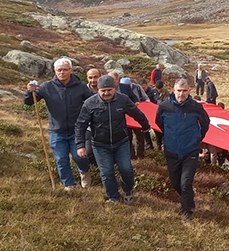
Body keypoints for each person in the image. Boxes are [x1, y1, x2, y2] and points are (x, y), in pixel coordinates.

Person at [75, 75, 150, 203]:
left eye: (109, 90)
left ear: (114, 88)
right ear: (98, 90)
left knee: (126, 169)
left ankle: (128, 191)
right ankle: (113, 196)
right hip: (99, 145)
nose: (106, 93)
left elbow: (136, 113)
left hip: (121, 142)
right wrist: (80, 145)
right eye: (103, 90)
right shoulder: (89, 103)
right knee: (107, 173)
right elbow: (80, 124)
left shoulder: (123, 100)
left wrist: (145, 125)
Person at [24, 58, 92, 191]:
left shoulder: (81, 86)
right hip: (56, 131)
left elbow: (91, 102)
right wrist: (29, 91)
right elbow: (29, 102)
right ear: (55, 71)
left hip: (76, 131)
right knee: (61, 160)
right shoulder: (47, 87)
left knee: (80, 157)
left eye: (65, 70)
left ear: (71, 71)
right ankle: (69, 185)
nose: (62, 72)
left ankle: (84, 172)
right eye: (59, 70)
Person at [156, 79, 211, 220]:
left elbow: (205, 124)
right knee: (175, 183)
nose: (181, 94)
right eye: (179, 91)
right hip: (172, 151)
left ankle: (186, 211)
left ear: (189, 91)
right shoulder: (164, 106)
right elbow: (159, 123)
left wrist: (197, 138)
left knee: (185, 183)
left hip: (190, 151)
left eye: (184, 91)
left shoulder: (195, 107)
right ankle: (189, 200)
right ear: (174, 91)